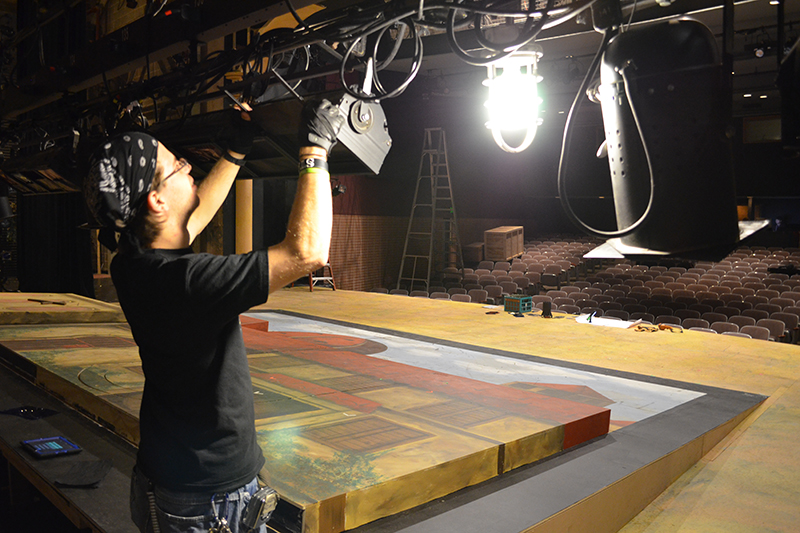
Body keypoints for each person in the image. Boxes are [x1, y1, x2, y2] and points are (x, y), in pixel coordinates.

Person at [83, 100, 344, 533]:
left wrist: (234, 154)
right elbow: (307, 253)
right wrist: (314, 152)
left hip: (173, 479)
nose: (188, 167)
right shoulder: (187, 283)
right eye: (177, 167)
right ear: (156, 201)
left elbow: (192, 218)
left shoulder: (131, 263)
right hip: (207, 503)